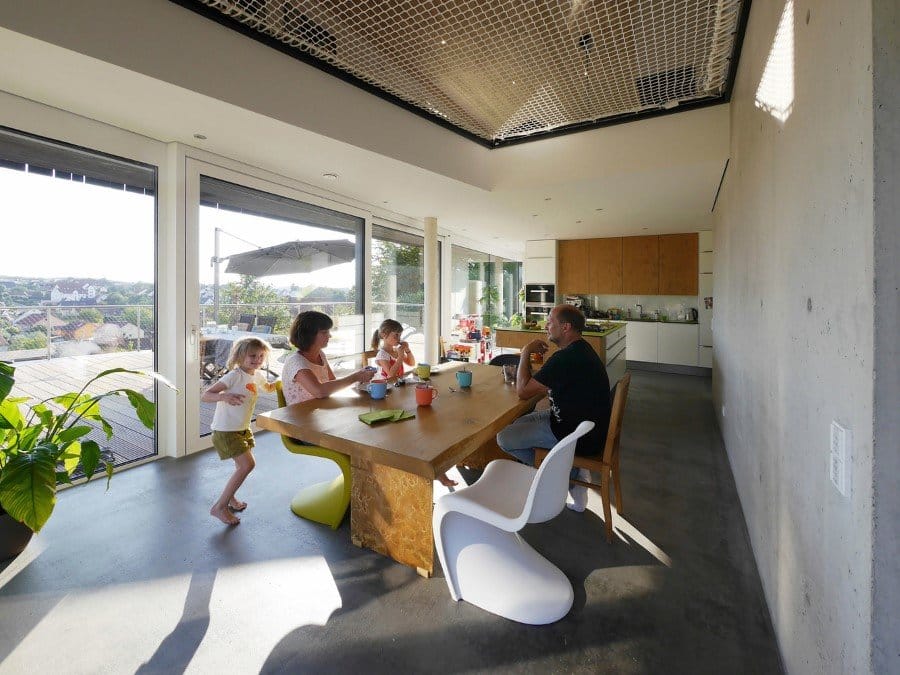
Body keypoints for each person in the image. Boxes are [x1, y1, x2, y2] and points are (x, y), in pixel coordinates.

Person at [496, 304, 611, 512]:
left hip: (576, 434)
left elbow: (523, 391)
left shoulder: (565, 358)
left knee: (504, 438)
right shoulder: (581, 349)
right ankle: (563, 466)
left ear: (566, 327)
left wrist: (525, 352)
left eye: (550, 321)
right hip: (582, 424)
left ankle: (568, 475)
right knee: (517, 422)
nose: (546, 326)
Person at [201, 336, 277, 526]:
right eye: (252, 355)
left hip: (242, 428)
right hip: (226, 430)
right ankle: (219, 507)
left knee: (240, 466)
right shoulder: (234, 376)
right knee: (246, 466)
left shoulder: (256, 374)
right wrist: (224, 396)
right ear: (240, 356)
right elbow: (206, 395)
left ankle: (232, 500)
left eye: (261, 356)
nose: (257, 359)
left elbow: (268, 388)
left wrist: (284, 382)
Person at [282, 310, 375, 405]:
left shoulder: (320, 354)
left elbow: (332, 382)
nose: (330, 336)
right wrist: (356, 377)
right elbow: (319, 391)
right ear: (309, 335)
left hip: (320, 410)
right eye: (324, 332)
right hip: (299, 417)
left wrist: (359, 378)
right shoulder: (295, 361)